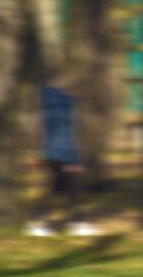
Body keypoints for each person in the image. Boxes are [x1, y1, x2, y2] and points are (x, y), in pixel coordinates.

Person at [27, 76, 94, 236]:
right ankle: (73, 223)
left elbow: (42, 131)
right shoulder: (65, 105)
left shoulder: (46, 104)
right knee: (69, 189)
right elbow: (68, 134)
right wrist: (74, 158)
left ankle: (70, 222)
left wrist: (40, 153)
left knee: (58, 189)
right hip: (64, 153)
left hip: (50, 152)